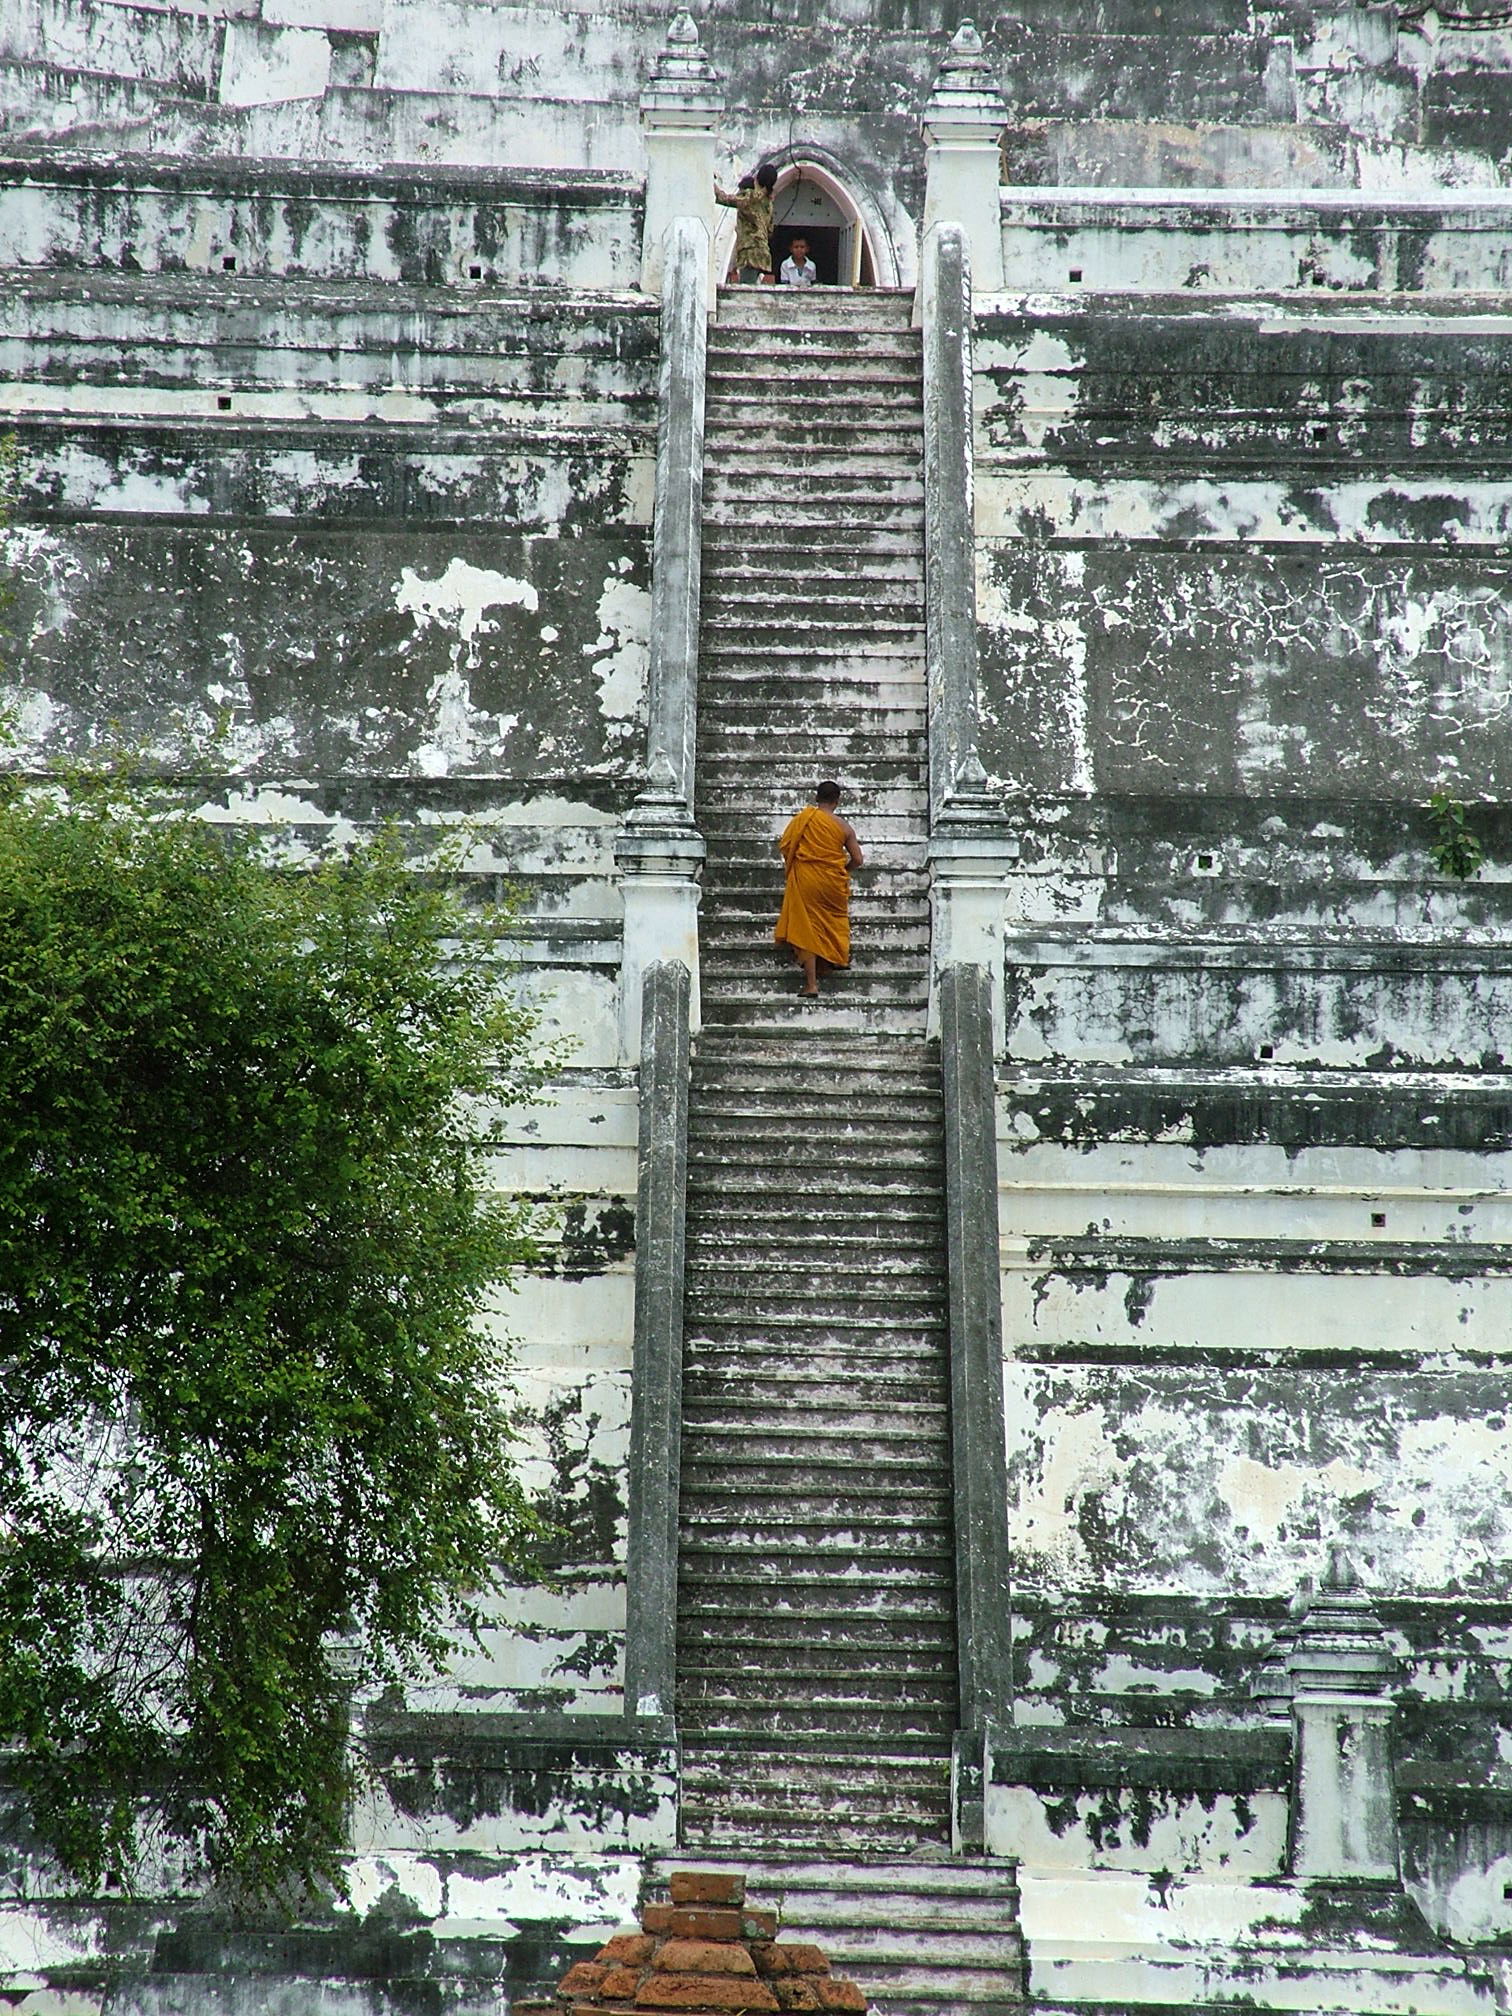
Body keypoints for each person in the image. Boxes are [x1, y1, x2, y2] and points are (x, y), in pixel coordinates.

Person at [774, 780, 863, 998]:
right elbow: (858, 859)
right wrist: (841, 869)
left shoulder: (803, 819)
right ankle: (833, 958)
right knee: (832, 921)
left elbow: (786, 846)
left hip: (807, 879)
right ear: (837, 801)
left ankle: (812, 985)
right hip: (832, 882)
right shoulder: (843, 826)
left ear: (816, 798)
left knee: (806, 927)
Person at [714, 162, 777, 285]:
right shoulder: (768, 203)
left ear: (757, 179)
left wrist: (711, 184)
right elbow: (770, 231)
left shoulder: (751, 198)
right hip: (763, 253)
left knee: (747, 288)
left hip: (750, 252)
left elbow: (724, 199)